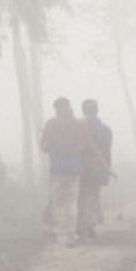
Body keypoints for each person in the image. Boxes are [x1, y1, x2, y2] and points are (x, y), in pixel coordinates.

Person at [40, 97, 88, 245]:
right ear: (69, 107)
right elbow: (83, 145)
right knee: (71, 203)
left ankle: (59, 233)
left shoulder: (50, 124)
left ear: (56, 109)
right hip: (73, 168)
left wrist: (54, 146)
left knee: (57, 202)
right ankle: (70, 234)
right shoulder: (77, 124)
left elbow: (44, 147)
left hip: (56, 169)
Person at [77, 99, 113, 240]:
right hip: (99, 167)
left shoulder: (78, 128)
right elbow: (107, 151)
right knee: (93, 195)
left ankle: (85, 226)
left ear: (83, 110)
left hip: (81, 167)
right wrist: (107, 168)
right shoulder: (106, 130)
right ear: (97, 110)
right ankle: (89, 225)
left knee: (83, 196)